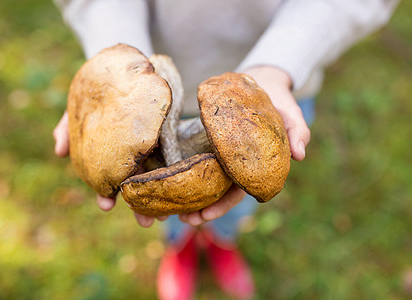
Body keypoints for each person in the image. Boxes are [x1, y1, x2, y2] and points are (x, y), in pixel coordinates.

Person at [52, 1, 399, 299]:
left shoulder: (266, 97)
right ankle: (180, 246)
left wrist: (279, 63)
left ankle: (223, 241)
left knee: (236, 199)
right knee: (169, 211)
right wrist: (114, 63)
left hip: (270, 92)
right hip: (135, 89)